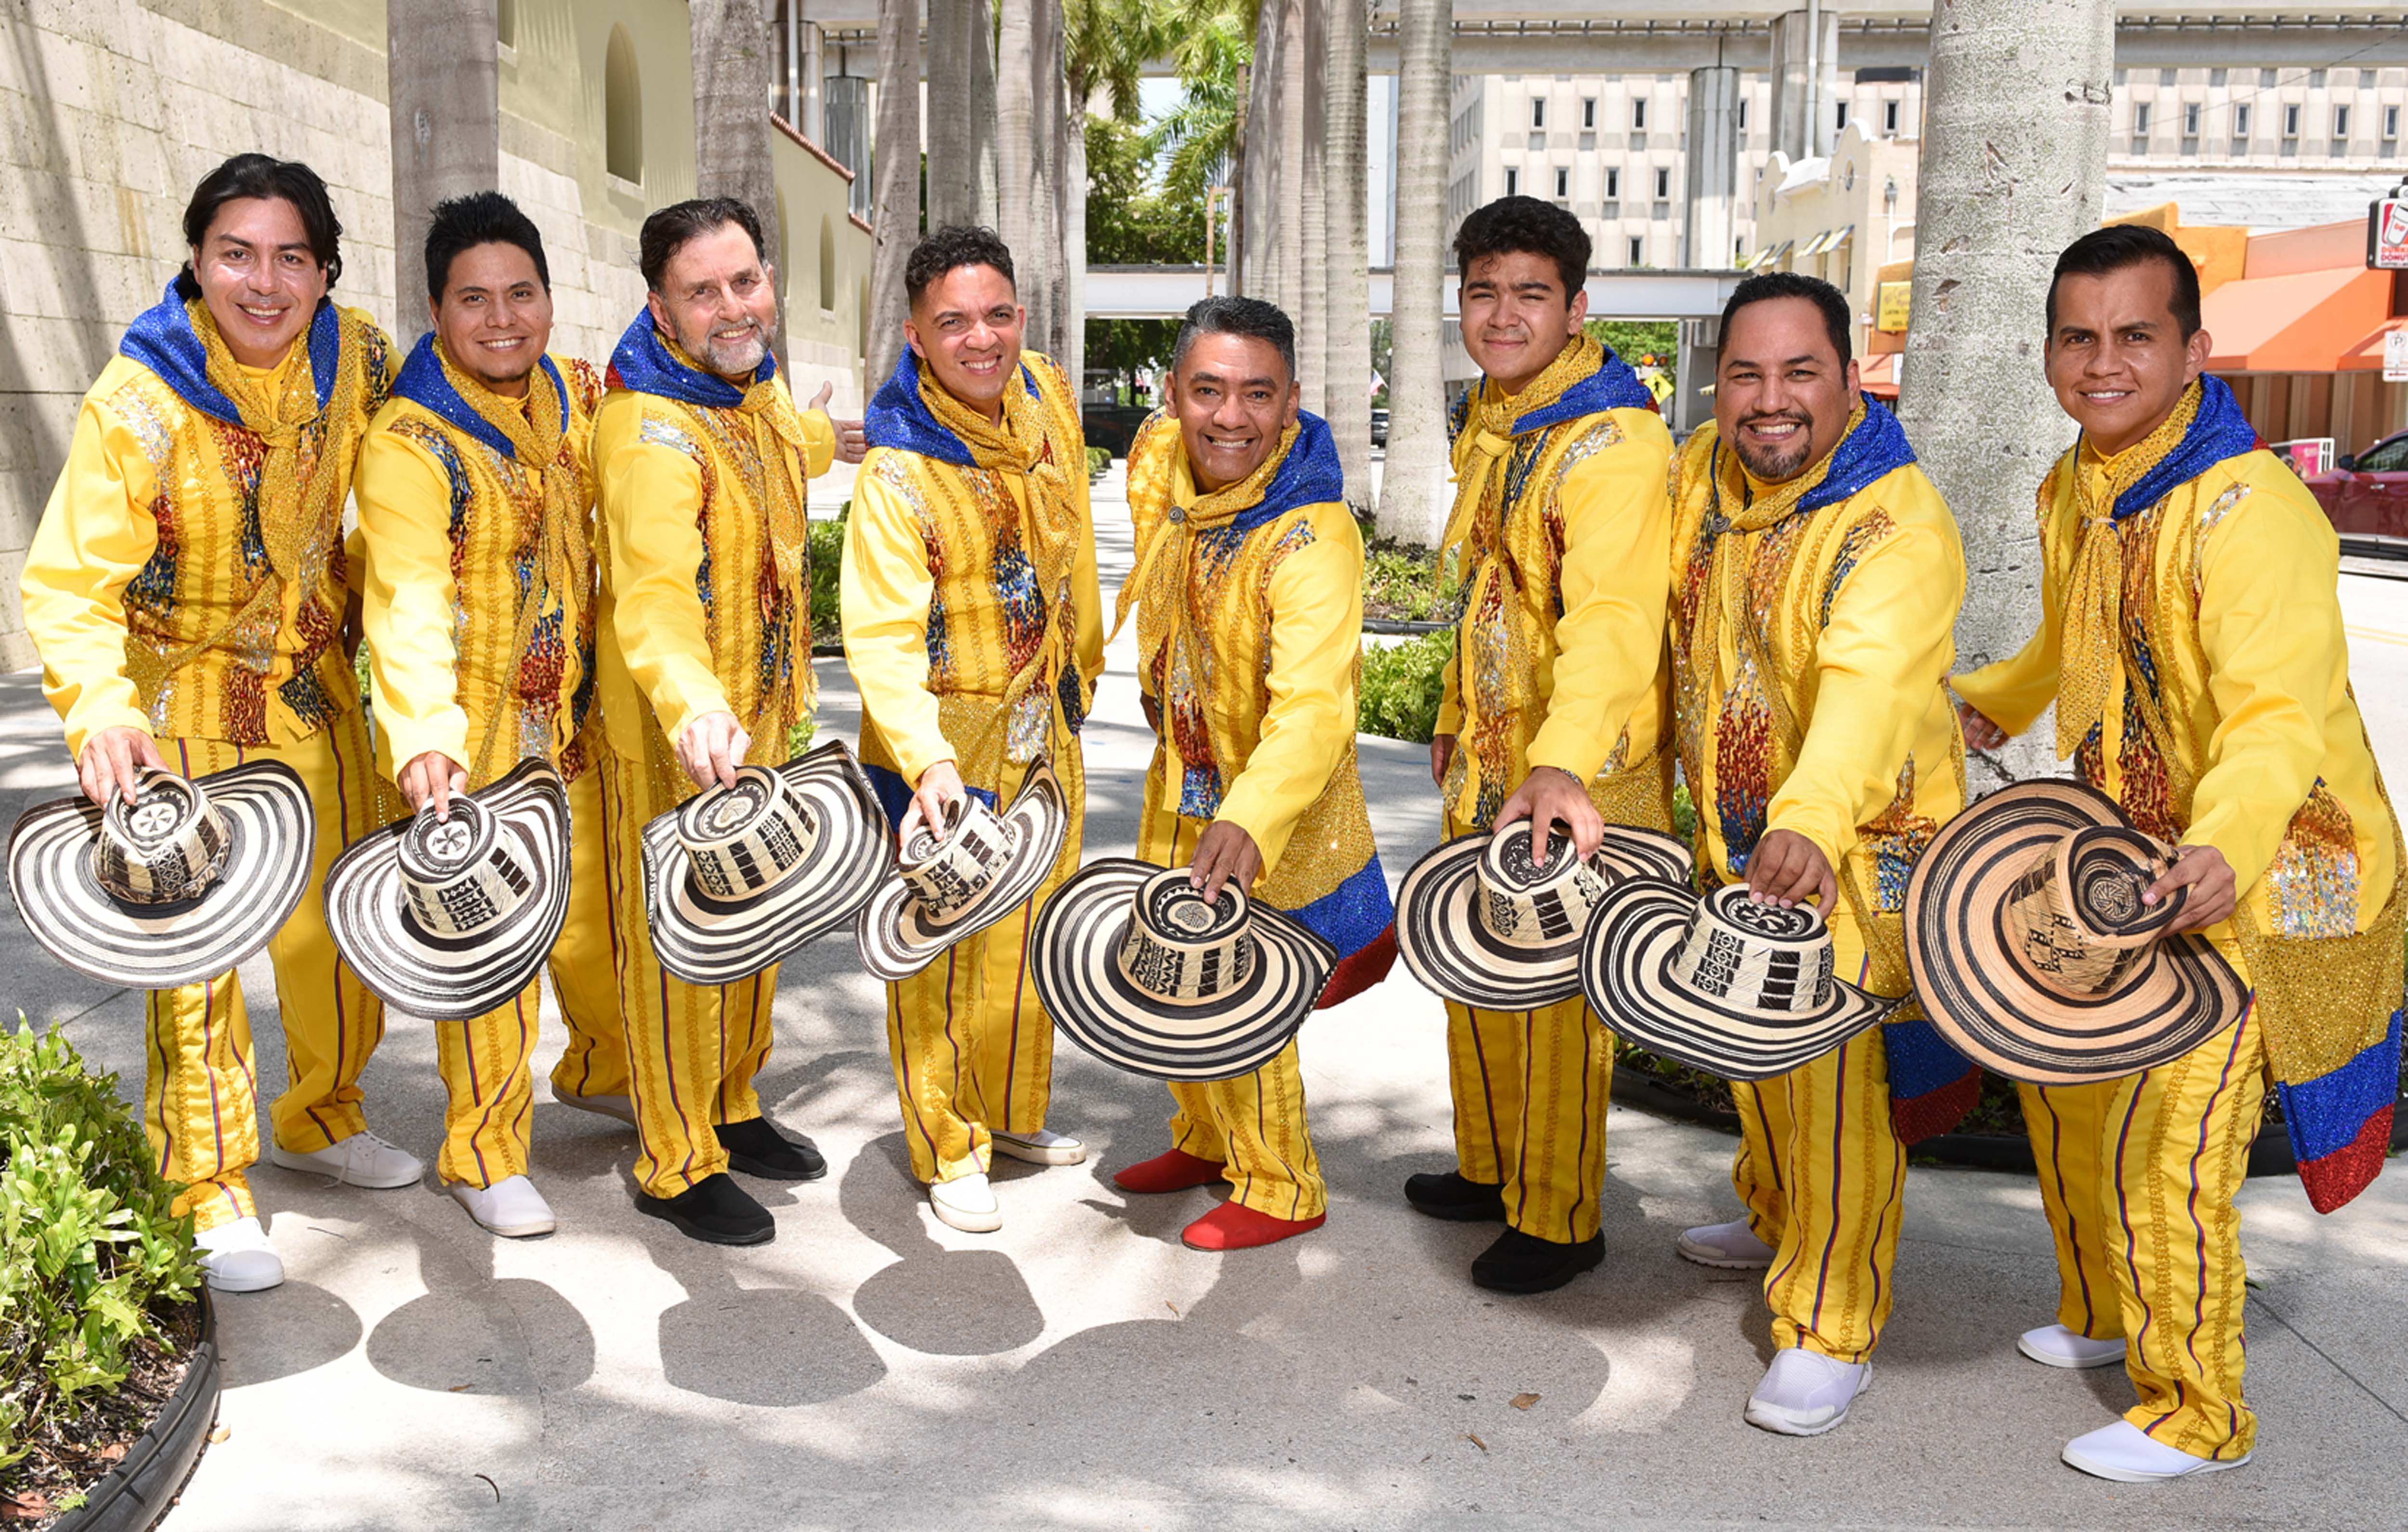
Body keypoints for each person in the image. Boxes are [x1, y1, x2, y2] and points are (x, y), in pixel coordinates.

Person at [1953, 224, 2402, 1482]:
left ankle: (2196, 1407)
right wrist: (1993, 696)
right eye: (2079, 336)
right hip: (2131, 859)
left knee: (2172, 1129)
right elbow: (2069, 636)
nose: (2104, 362)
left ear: (2195, 349)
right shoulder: (2076, 485)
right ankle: (2106, 1305)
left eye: (2135, 334)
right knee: (2072, 1089)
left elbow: (2273, 716)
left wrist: (2220, 847)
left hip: (2274, 866)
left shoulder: (2249, 509)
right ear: (2050, 351)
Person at [21, 153, 410, 1292]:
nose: (265, 281)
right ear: (196, 262)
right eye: (236, 253)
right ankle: (206, 1183)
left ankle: (322, 1116)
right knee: (195, 964)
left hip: (317, 693)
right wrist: (97, 708)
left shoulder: (361, 356)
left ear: (326, 270)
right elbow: (67, 581)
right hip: (179, 710)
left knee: (342, 930)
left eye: (293, 256)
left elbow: (455, 418)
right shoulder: (137, 400)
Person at [1665, 271, 1966, 1435]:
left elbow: (1866, 686)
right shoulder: (1715, 482)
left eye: (1800, 372)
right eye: (1746, 373)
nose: (1770, 399)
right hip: (1742, 842)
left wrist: (1807, 817)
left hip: (1852, 850)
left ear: (1850, 381)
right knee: (1756, 1058)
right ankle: (1773, 1210)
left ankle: (1831, 1326)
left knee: (1838, 1088)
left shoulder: (1896, 521)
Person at [1402, 195, 1678, 1294]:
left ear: (1576, 306)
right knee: (1478, 974)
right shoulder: (1498, 417)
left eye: (1529, 294)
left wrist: (1559, 763)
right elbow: (1482, 589)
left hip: (1576, 773)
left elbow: (1614, 618)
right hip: (1490, 754)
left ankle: (1560, 1216)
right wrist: (1447, 720)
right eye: (1484, 292)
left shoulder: (1611, 440)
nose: (1503, 314)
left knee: (1555, 998)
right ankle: (1493, 1165)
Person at [353, 191, 633, 1239]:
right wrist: (426, 735)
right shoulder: (409, 442)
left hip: (571, 713)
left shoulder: (571, 388)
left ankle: (600, 1070)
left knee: (599, 917)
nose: (501, 317)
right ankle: (482, 1148)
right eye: (474, 299)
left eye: (521, 293)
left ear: (551, 302)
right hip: (468, 734)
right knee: (493, 946)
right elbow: (406, 597)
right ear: (436, 310)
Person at [592, 196, 864, 1246]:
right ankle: (674, 1157)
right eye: (701, 292)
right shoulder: (648, 427)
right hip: (679, 735)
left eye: (744, 281)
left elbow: (785, 439)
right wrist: (694, 703)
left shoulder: (747, 393)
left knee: (756, 926)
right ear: (660, 308)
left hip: (765, 720)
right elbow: (653, 590)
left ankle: (734, 1104)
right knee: (676, 945)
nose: (731, 306)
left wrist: (822, 440)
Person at [1108, 297, 1395, 1251]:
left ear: (1291, 403)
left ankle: (1280, 1183)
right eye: (1209, 391)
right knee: (1175, 972)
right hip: (1180, 778)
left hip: (1273, 805)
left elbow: (1314, 705)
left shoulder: (1310, 535)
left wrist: (1253, 812)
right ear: (1172, 396)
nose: (1231, 417)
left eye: (1257, 395)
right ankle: (1203, 1137)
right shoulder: (1167, 473)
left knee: (1243, 986)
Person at [842, 226, 1103, 1233]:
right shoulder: (899, 471)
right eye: (952, 322)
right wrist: (926, 761)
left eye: (996, 315)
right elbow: (879, 636)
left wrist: (1083, 666)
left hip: (1048, 724)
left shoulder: (1044, 394)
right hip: (947, 747)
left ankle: (1008, 1113)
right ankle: (946, 1144)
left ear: (1022, 319)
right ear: (916, 336)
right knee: (945, 952)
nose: (980, 339)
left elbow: (1073, 526)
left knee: (1031, 942)